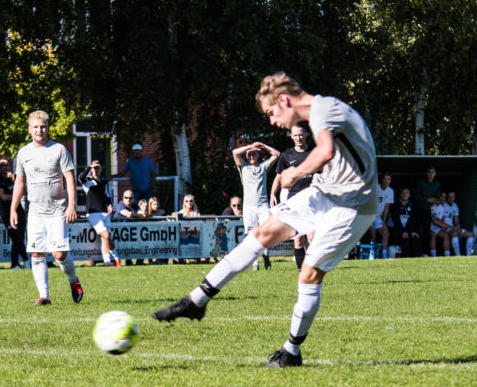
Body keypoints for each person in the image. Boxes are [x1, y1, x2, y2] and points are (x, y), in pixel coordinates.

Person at [152, 71, 378, 368]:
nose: (272, 120)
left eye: (271, 112)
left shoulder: (323, 110)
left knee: (308, 273)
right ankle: (197, 300)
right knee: (261, 232)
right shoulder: (321, 113)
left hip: (353, 206)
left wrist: (295, 173)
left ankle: (291, 352)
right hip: (326, 192)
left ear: (284, 100)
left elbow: (326, 151)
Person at [10, 110, 83, 305]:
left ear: (48, 127)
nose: (39, 130)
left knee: (59, 254)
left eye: (43, 126)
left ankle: (73, 280)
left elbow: (69, 178)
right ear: (29, 129)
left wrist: (72, 206)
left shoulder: (59, 149)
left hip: (58, 210)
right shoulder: (23, 152)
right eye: (35, 127)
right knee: (37, 253)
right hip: (35, 213)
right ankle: (45, 296)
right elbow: (19, 182)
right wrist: (13, 208)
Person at [270, 124, 315, 270]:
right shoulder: (286, 155)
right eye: (295, 135)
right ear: (291, 137)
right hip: (294, 201)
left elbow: (325, 173)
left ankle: (313, 268)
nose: (299, 138)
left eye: (301, 135)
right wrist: (272, 194)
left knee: (311, 237)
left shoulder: (314, 153)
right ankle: (301, 271)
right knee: (297, 240)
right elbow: (278, 178)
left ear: (307, 134)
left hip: (312, 200)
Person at [233, 141, 280, 270]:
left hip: (263, 205)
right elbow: (235, 153)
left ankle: (265, 255)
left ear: (258, 155)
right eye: (249, 155)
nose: (252, 157)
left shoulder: (263, 166)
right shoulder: (243, 167)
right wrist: (250, 147)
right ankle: (255, 263)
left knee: (266, 231)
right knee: (250, 235)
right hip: (249, 206)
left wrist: (262, 146)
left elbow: (276, 154)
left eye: (254, 154)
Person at [78, 160, 121, 267]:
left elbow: (107, 195)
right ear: (91, 169)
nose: (96, 170)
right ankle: (113, 259)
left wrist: (110, 204)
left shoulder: (103, 181)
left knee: (106, 237)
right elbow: (80, 177)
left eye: (98, 167)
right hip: (93, 213)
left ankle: (111, 261)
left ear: (101, 169)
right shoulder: (87, 181)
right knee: (106, 235)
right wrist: (89, 166)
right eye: (94, 168)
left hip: (104, 213)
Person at [0, 158, 29, 269]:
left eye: (6, 165)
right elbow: (3, 197)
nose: (5, 167)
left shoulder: (14, 178)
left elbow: (23, 192)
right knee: (16, 238)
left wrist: (15, 179)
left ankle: (14, 264)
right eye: (2, 165)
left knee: (19, 239)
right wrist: (15, 197)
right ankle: (27, 259)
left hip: (20, 212)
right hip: (7, 214)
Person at [413, 166, 441, 255]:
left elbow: (438, 196)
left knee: (427, 232)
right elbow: (415, 196)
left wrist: (437, 200)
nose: (430, 174)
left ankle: (425, 252)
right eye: (429, 172)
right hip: (418, 209)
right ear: (426, 173)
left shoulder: (437, 184)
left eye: (432, 172)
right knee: (417, 231)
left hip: (428, 211)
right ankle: (416, 252)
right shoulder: (421, 182)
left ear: (435, 173)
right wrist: (427, 199)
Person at [366, 173, 393, 259]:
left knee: (385, 234)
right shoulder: (375, 188)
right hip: (369, 215)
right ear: (381, 180)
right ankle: (371, 255)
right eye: (385, 179)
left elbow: (386, 208)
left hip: (378, 218)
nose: (386, 181)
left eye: (388, 179)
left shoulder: (390, 191)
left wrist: (383, 222)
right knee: (373, 234)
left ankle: (384, 256)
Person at [389, 187, 422, 257]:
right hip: (398, 230)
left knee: (415, 239)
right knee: (405, 239)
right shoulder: (395, 206)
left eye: (406, 193)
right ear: (400, 195)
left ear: (409, 195)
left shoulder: (412, 206)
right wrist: (402, 231)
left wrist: (412, 232)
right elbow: (396, 220)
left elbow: (413, 221)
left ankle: (417, 259)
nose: (405, 195)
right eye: (403, 193)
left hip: (409, 231)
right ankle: (405, 258)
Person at [442, 191, 475, 256]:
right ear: (447, 198)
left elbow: (456, 220)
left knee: (471, 235)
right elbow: (441, 222)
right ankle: (458, 256)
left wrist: (458, 226)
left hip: (453, 228)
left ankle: (469, 256)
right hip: (444, 228)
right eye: (450, 197)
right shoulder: (443, 206)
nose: (452, 199)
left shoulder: (455, 206)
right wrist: (452, 228)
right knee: (455, 233)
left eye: (453, 197)